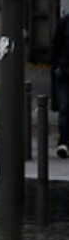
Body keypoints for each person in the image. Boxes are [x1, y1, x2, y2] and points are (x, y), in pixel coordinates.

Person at [53, 14, 69, 159]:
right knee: (65, 107)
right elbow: (56, 46)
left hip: (63, 71)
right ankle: (64, 142)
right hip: (65, 73)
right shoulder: (65, 22)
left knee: (65, 108)